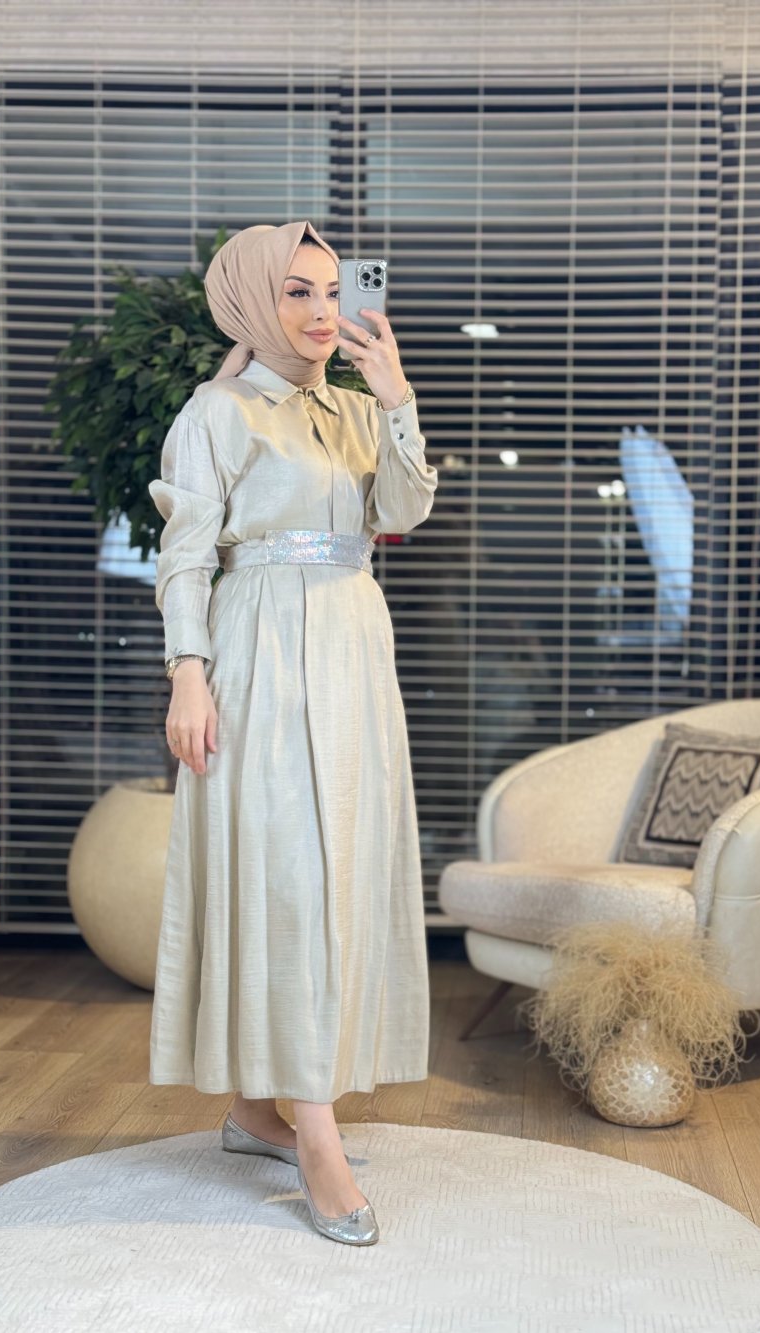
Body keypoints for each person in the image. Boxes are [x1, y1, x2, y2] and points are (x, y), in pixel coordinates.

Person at [147, 220, 438, 1245]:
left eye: (330, 290)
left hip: (354, 647)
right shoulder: (216, 411)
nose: (320, 311)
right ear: (250, 301)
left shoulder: (357, 409)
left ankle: (257, 1112)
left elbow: (402, 510)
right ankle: (315, 1135)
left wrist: (395, 396)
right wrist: (189, 676)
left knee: (340, 873)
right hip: (259, 651)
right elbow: (185, 553)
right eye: (295, 292)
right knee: (285, 878)